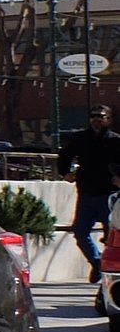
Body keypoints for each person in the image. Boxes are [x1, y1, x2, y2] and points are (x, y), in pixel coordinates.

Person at [55, 103, 119, 267]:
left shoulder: (115, 140)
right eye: (93, 116)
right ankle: (97, 262)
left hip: (108, 194)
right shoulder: (80, 138)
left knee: (111, 236)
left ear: (109, 119)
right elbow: (64, 156)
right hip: (86, 192)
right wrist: (65, 173)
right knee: (80, 231)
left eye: (101, 116)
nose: (96, 119)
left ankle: (108, 268)